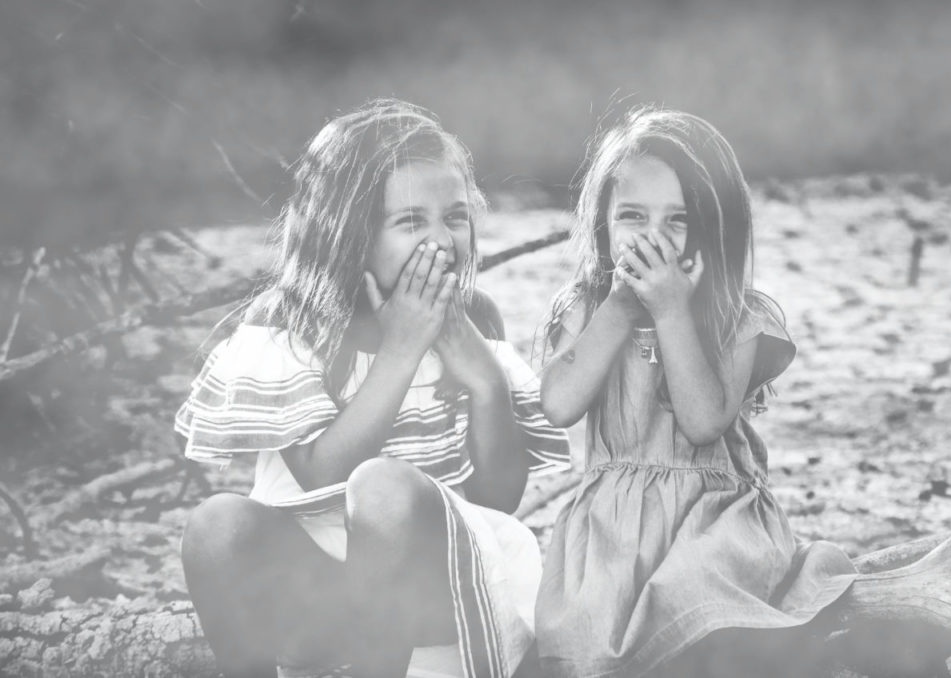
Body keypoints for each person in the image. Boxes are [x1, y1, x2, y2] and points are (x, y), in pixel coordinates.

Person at [175, 99, 570, 678]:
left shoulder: (474, 318)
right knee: (215, 523)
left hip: (440, 588)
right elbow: (321, 475)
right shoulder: (290, 323)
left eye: (455, 216)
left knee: (385, 488)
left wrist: (486, 383)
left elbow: (496, 502)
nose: (440, 240)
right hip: (320, 593)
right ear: (349, 233)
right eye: (411, 222)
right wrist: (403, 349)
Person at [534, 107, 858, 678]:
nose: (653, 237)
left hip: (713, 522)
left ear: (715, 227)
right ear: (603, 225)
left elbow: (703, 421)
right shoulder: (585, 307)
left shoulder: (737, 317)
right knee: (589, 643)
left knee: (694, 597)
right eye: (632, 215)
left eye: (678, 220)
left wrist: (671, 310)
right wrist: (618, 308)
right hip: (611, 532)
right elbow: (559, 404)